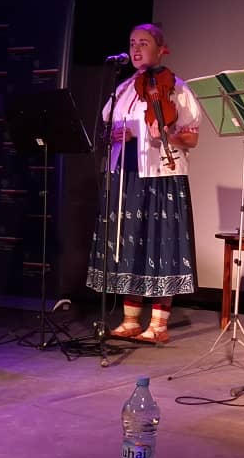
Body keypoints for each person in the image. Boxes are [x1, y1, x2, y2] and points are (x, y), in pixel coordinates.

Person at [85, 23, 200, 343]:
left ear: (162, 49)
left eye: (144, 43)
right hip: (125, 173)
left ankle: (158, 324)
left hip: (161, 175)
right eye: (132, 43)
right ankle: (131, 319)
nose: (136, 49)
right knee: (129, 244)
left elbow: (192, 139)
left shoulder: (177, 88)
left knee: (160, 244)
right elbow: (107, 125)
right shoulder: (123, 89)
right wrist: (116, 135)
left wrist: (162, 135)